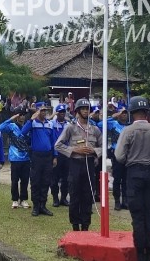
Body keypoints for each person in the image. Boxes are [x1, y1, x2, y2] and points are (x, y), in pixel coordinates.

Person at [115, 96, 150, 261]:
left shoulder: (127, 131)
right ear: (146, 112)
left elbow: (119, 156)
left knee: (137, 216)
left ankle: (140, 254)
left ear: (132, 112)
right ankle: (149, 253)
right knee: (149, 214)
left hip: (134, 175)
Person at [54, 98, 102, 231]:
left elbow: (103, 146)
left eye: (87, 109)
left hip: (90, 163)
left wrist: (94, 151)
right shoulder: (71, 128)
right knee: (75, 195)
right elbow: (58, 145)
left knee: (88, 195)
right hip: (75, 164)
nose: (86, 111)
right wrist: (74, 149)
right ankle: (75, 224)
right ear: (78, 111)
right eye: (83, 109)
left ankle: (86, 224)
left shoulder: (95, 129)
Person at [22, 102, 56, 216]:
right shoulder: (33, 123)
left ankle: (43, 205)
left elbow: (53, 141)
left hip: (48, 156)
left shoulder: (49, 124)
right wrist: (31, 119)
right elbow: (23, 132)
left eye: (45, 110)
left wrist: (55, 156)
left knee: (46, 181)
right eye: (41, 110)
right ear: (37, 111)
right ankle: (36, 206)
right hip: (36, 156)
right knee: (36, 181)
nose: (44, 112)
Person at [0, 109, 31, 209]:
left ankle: (23, 199)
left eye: (24, 115)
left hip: (26, 157)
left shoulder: (28, 126)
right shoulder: (12, 126)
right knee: (14, 180)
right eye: (20, 115)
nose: (22, 117)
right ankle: (15, 200)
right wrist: (10, 119)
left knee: (25, 180)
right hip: (15, 158)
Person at [99, 105, 128, 210]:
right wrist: (114, 116)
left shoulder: (129, 126)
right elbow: (100, 124)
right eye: (122, 113)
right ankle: (116, 201)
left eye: (125, 113)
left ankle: (125, 201)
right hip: (116, 154)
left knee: (126, 179)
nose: (124, 115)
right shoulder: (113, 124)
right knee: (117, 179)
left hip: (127, 155)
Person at [51, 104, 70, 207]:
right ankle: (55, 198)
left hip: (66, 154)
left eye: (63, 112)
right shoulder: (52, 124)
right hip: (56, 154)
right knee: (54, 178)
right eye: (60, 112)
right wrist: (54, 156)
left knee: (66, 178)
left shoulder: (68, 124)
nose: (62, 113)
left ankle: (63, 198)